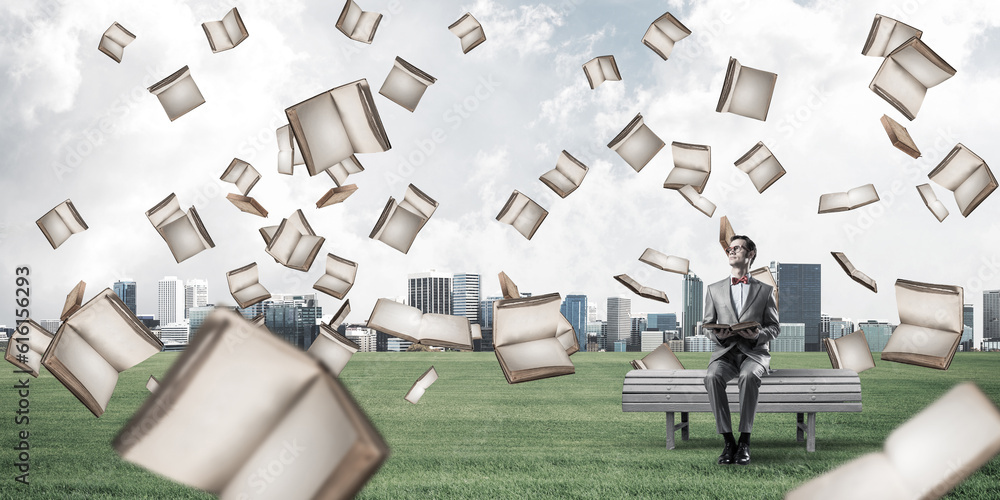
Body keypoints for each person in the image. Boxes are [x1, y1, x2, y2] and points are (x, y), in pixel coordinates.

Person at [702, 235, 779, 466]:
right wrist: (716, 335)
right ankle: (728, 441)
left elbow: (774, 327)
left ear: (750, 253)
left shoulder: (765, 291)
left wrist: (758, 335)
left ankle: (745, 441)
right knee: (712, 376)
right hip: (724, 353)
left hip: (754, 353)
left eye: (736, 248)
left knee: (748, 375)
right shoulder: (713, 289)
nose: (731, 251)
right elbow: (706, 324)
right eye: (729, 249)